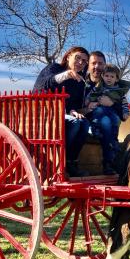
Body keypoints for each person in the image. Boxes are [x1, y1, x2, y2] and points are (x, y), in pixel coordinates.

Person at [33, 46, 90, 177]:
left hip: (63, 115)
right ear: (68, 56)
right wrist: (66, 74)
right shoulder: (53, 68)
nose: (81, 62)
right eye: (78, 58)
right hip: (43, 114)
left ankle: (71, 162)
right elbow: (44, 84)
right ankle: (60, 162)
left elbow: (72, 103)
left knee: (83, 123)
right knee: (75, 123)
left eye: (84, 61)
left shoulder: (79, 81)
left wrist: (73, 111)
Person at [84, 52, 130, 175]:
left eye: (112, 76)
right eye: (107, 76)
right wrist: (88, 103)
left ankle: (109, 158)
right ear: (103, 76)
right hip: (97, 114)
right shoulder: (94, 86)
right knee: (104, 119)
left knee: (112, 120)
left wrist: (121, 109)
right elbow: (89, 97)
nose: (109, 78)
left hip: (111, 115)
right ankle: (108, 160)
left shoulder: (119, 91)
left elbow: (124, 105)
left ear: (116, 78)